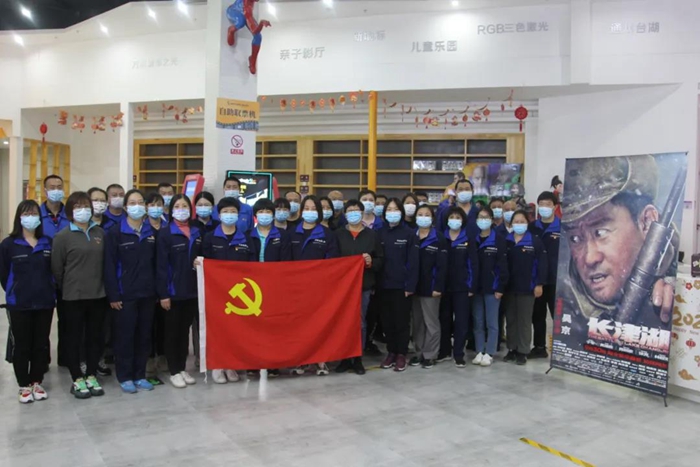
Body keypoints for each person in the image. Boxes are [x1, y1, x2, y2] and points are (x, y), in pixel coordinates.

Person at [558, 155, 676, 343]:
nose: (589, 258)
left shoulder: (672, 286)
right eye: (575, 238)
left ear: (647, 222)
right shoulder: (566, 300)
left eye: (600, 232)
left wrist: (681, 300)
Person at [51, 192, 108, 399]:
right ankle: (76, 377)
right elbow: (57, 269)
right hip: (72, 297)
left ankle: (91, 374)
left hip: (98, 295)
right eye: (77, 207)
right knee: (73, 338)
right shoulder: (62, 237)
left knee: (95, 337)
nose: (82, 210)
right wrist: (68, 285)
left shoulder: (100, 233)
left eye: (85, 206)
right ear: (70, 211)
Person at [1, 200, 55, 403]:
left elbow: (54, 270)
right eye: (26, 213)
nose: (31, 217)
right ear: (19, 217)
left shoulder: (47, 242)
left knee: (41, 343)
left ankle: (36, 381)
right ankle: (23, 384)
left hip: (44, 301)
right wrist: (14, 290)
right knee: (22, 344)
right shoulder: (9, 244)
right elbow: (4, 274)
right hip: (19, 303)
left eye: (34, 213)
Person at [103, 189, 157, 394]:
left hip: (147, 293)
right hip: (124, 295)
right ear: (125, 207)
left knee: (144, 336)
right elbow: (109, 266)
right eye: (132, 203)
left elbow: (156, 263)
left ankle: (139, 374)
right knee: (125, 337)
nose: (137, 206)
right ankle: (125, 376)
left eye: (140, 202)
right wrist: (113, 294)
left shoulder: (151, 232)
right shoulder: (115, 233)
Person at [202, 197, 257, 384]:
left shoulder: (246, 238)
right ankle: (218, 365)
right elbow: (204, 261)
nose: (229, 215)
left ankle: (231, 364)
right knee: (218, 329)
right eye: (225, 212)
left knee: (235, 329)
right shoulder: (210, 238)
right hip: (216, 292)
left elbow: (252, 266)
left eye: (233, 212)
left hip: (239, 294)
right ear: (219, 214)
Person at [156, 194, 202, 388]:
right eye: (177, 206)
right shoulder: (165, 234)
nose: (181, 210)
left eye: (185, 206)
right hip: (173, 292)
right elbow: (161, 266)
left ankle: (182, 368)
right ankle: (174, 370)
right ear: (171, 210)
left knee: (184, 333)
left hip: (192, 291)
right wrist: (164, 294)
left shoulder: (197, 232)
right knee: (172, 333)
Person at [290, 195, 339, 376]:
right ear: (301, 211)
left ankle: (320, 360)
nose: (309, 212)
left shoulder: (327, 234)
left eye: (313, 209)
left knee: (319, 324)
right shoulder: (292, 233)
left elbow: (333, 262)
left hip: (319, 288)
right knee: (299, 325)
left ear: (319, 212)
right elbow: (285, 262)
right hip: (296, 288)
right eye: (306, 208)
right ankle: (300, 360)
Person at [335, 200, 384, 375]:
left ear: (362, 213)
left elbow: (380, 260)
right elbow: (332, 260)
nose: (353, 213)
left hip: (363, 285)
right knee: (342, 322)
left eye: (357, 210)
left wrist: (370, 262)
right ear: (345, 214)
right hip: (342, 288)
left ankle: (357, 357)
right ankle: (344, 357)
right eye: (350, 210)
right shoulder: (338, 234)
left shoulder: (372, 235)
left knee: (360, 322)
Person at [249, 198, 291, 377]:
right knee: (253, 326)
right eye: (261, 212)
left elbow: (286, 262)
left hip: (275, 286)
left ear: (273, 215)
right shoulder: (247, 235)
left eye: (268, 211)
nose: (264, 215)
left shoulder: (283, 235)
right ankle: (253, 362)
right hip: (253, 287)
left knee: (273, 325)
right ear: (255, 215)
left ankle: (273, 363)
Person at [377, 199, 419, 372]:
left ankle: (401, 353)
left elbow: (413, 262)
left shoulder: (409, 234)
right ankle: (391, 352)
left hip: (402, 286)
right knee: (387, 322)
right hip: (383, 285)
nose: (392, 212)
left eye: (395, 209)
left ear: (401, 212)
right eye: (389, 209)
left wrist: (410, 285)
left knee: (401, 321)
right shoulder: (379, 233)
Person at [504, 210, 547, 365]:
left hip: (528, 287)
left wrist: (539, 284)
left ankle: (523, 351)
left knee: (524, 320)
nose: (519, 224)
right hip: (509, 287)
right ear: (511, 223)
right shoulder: (506, 240)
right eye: (516, 221)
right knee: (510, 319)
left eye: (522, 221)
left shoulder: (534, 241)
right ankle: (512, 348)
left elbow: (542, 263)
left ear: (527, 223)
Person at [408, 204, 448, 369]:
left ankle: (430, 354)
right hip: (414, 287)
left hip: (431, 288)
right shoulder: (411, 236)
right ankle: (419, 352)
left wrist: (438, 286)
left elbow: (442, 266)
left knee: (431, 322)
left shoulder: (438, 238)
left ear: (432, 218)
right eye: (420, 214)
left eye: (427, 214)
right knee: (417, 323)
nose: (423, 217)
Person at [439, 206, 478, 365]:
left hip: (462, 287)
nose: (454, 220)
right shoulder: (441, 238)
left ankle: (459, 353)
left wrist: (471, 286)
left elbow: (473, 264)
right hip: (444, 287)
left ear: (463, 221)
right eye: (452, 217)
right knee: (444, 319)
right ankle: (444, 350)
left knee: (461, 321)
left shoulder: (468, 239)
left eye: (458, 217)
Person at [39, 175, 70, 367]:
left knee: (67, 320)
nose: (56, 190)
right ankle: (42, 360)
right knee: (43, 321)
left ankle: (66, 358)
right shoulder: (37, 215)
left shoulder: (70, 214)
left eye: (59, 186)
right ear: (45, 190)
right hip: (44, 276)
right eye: (52, 187)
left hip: (67, 276)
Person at [472, 207, 509, 367]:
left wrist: (500, 287)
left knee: (492, 323)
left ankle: (490, 352)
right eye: (480, 217)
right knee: (478, 322)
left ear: (492, 220)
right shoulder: (473, 239)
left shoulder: (498, 240)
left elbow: (503, 266)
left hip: (492, 288)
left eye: (486, 217)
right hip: (476, 288)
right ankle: (479, 350)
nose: (483, 220)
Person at [529, 191, 561, 359]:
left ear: (555, 207)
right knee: (538, 315)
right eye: (541, 204)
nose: (544, 207)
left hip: (557, 279)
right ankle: (539, 347)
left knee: (558, 316)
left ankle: (561, 349)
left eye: (548, 204)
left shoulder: (563, 227)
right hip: (537, 279)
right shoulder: (532, 227)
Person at [144, 192, 168, 382]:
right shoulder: (142, 227)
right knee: (148, 326)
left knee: (163, 326)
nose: (156, 207)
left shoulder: (168, 227)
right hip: (146, 284)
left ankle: (163, 357)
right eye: (152, 204)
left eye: (159, 204)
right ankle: (148, 362)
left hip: (166, 283)